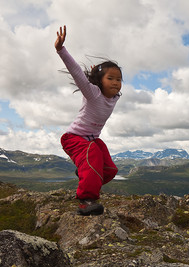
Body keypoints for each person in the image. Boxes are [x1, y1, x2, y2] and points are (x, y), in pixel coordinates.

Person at [54, 25, 122, 216]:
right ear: (100, 81)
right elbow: (76, 73)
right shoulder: (93, 93)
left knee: (109, 169)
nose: (116, 82)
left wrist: (98, 75)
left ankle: (85, 174)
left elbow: (107, 83)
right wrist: (61, 49)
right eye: (111, 78)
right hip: (73, 138)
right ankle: (85, 201)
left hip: (91, 140)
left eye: (119, 79)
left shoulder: (115, 97)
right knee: (92, 153)